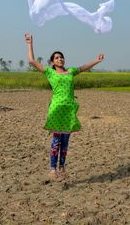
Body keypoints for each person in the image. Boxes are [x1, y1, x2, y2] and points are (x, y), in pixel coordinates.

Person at [25, 33, 104, 180]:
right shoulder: (50, 72)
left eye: (61, 57)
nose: (59, 59)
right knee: (56, 140)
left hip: (68, 109)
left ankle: (62, 166)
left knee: (66, 141)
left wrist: (96, 61)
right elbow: (31, 61)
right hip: (56, 109)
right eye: (56, 58)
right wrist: (29, 43)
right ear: (52, 62)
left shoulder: (71, 72)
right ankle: (52, 169)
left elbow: (83, 67)